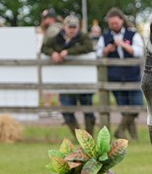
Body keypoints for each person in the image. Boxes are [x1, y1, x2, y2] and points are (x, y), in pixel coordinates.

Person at [43, 14, 97, 136]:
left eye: (74, 27)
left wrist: (69, 52)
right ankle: (79, 137)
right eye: (69, 27)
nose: (72, 30)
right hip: (65, 81)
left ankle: (90, 137)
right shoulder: (57, 37)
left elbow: (88, 47)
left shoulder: (83, 37)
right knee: (66, 110)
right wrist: (53, 53)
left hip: (83, 81)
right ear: (64, 27)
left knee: (88, 110)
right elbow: (44, 47)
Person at [99, 8, 144, 139]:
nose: (114, 26)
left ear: (122, 21)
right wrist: (107, 50)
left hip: (132, 76)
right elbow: (98, 53)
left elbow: (139, 52)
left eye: (116, 23)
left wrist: (123, 45)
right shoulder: (105, 36)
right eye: (111, 24)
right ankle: (133, 137)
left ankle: (119, 131)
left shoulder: (132, 34)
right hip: (114, 77)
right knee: (124, 109)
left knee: (136, 105)